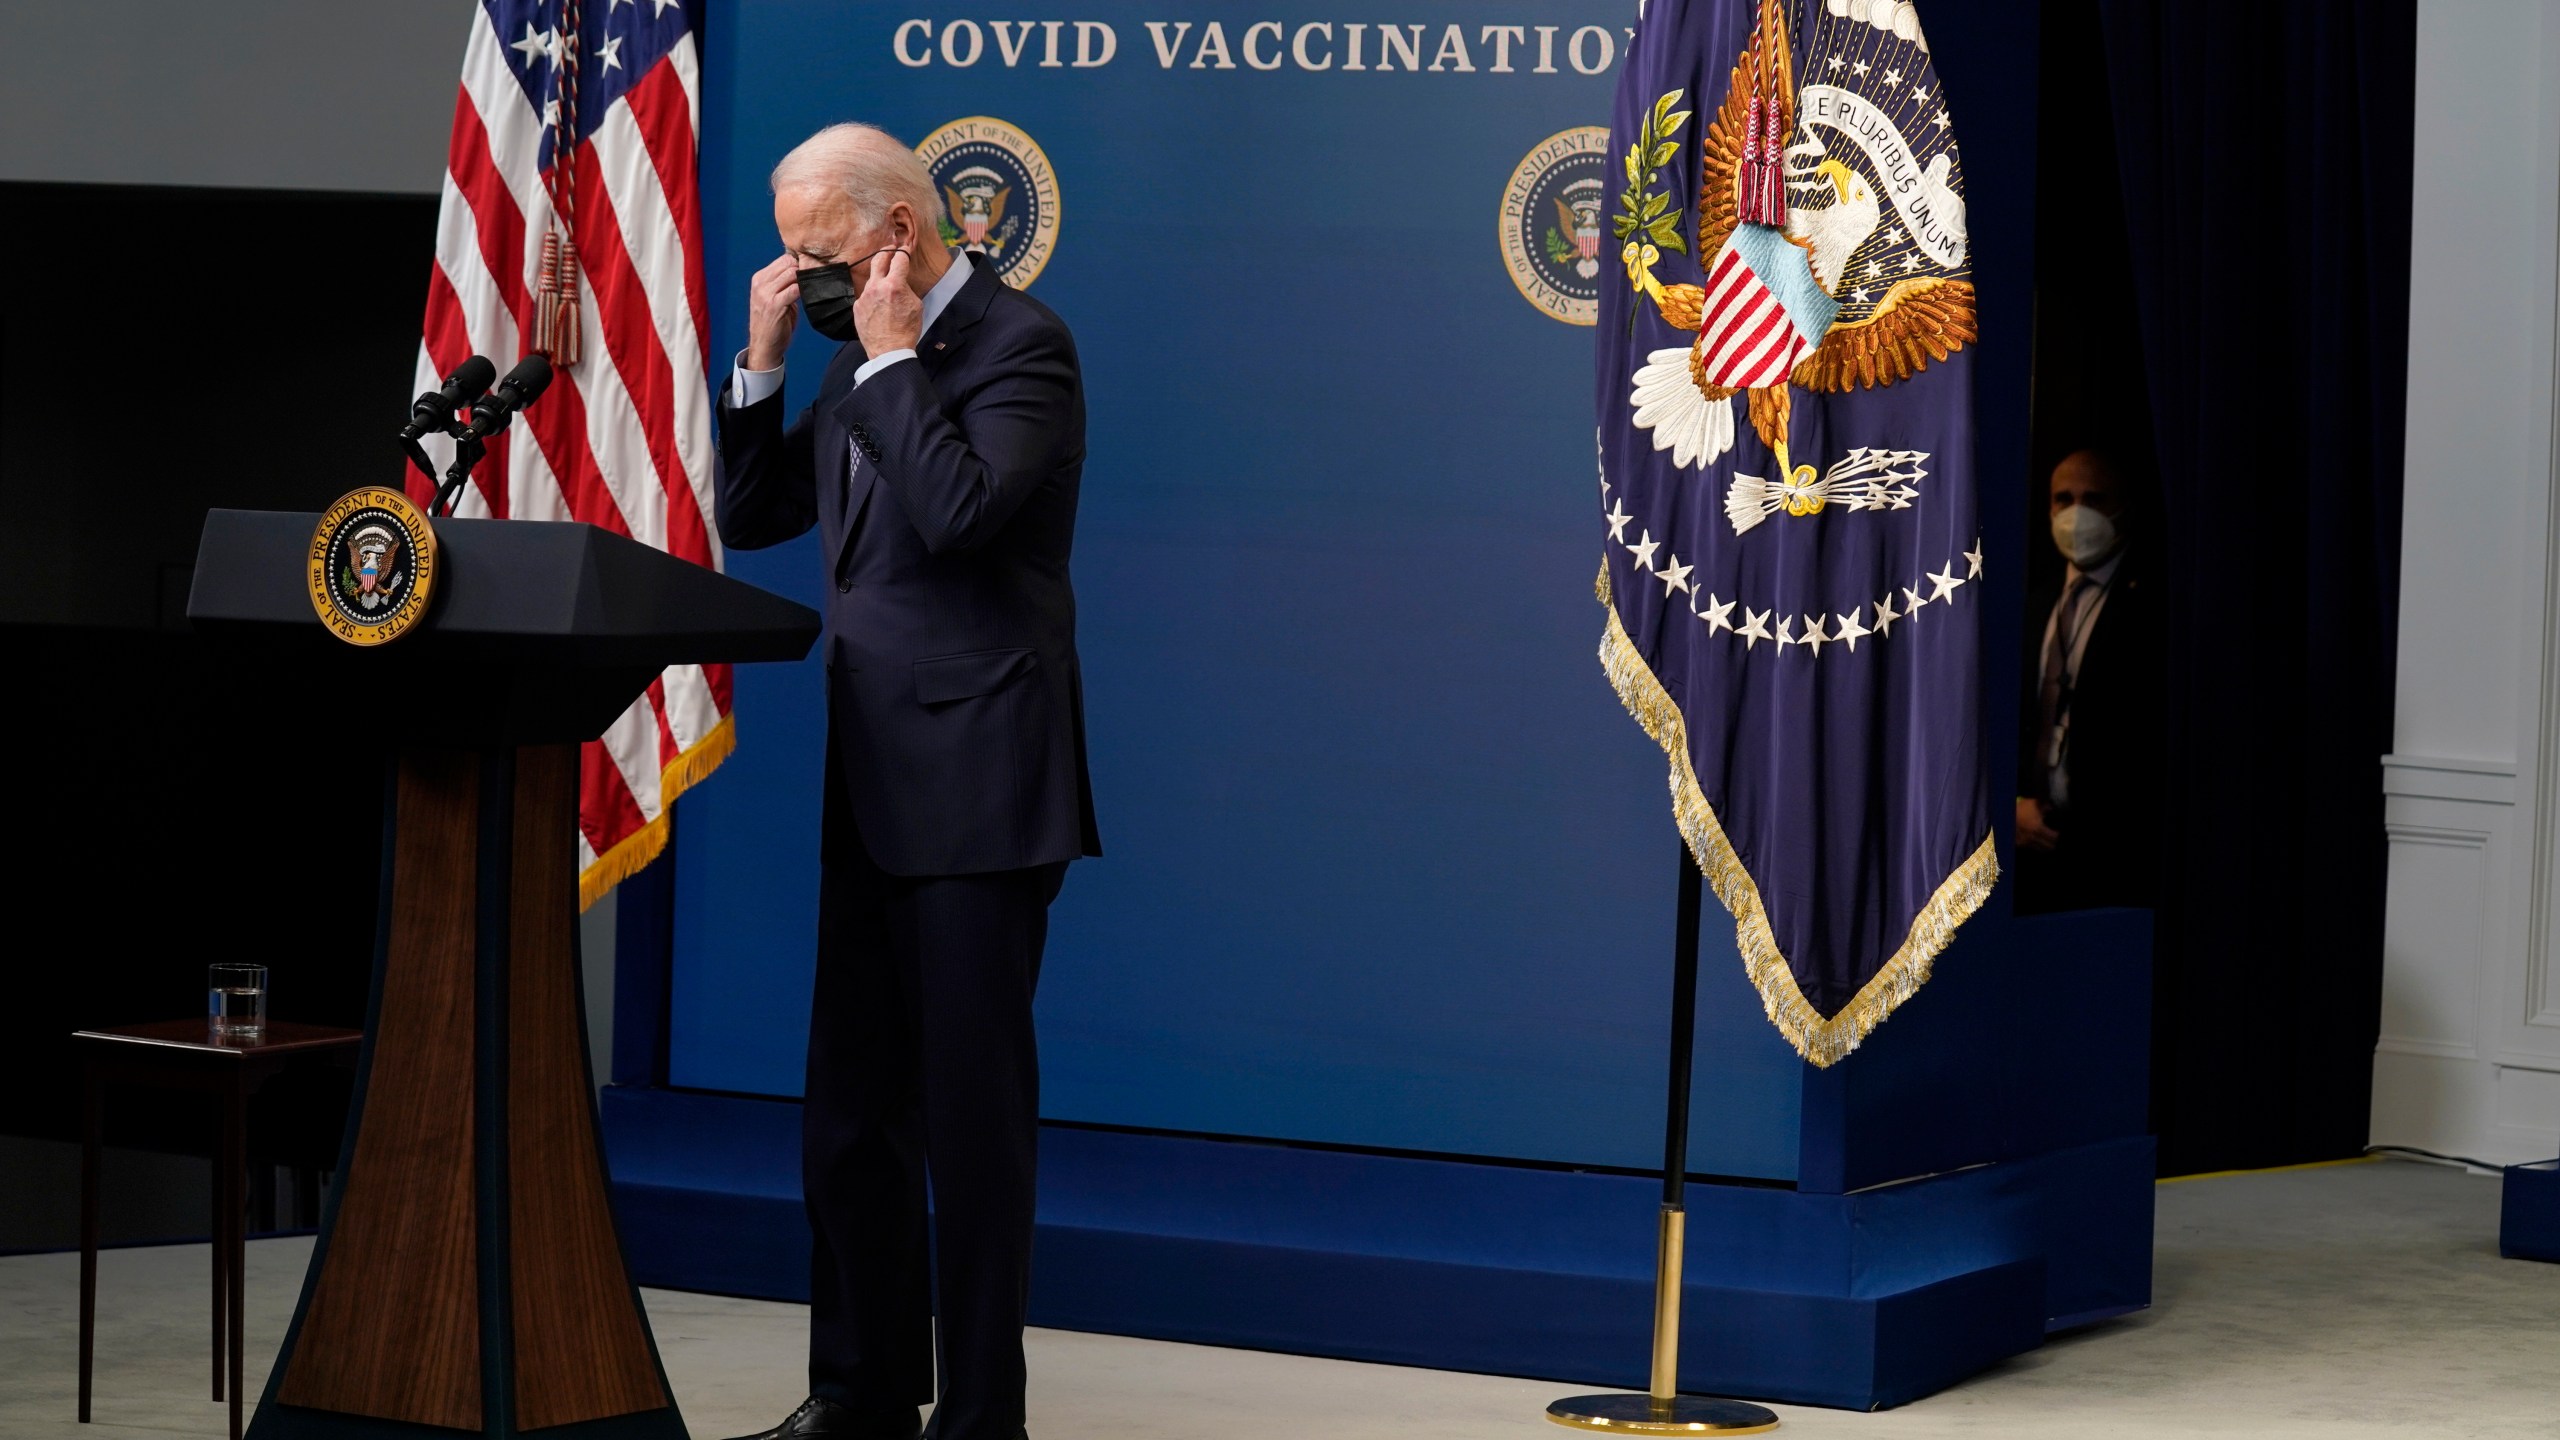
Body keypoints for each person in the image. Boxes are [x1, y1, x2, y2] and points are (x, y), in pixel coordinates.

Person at [712, 122, 1100, 1440]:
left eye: (816, 254)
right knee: (851, 1118)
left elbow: (960, 513)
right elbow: (757, 514)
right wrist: (765, 362)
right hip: (871, 785)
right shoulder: (854, 361)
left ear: (896, 233)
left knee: (974, 1132)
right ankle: (859, 1391)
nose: (800, 275)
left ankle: (982, 1416)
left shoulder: (1020, 347)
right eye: (788, 253)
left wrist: (879, 357)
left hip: (983, 793)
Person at [2015, 448, 2159, 912]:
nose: (2077, 514)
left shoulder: (2155, 605)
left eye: (2094, 500)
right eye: (2065, 499)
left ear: (2124, 507)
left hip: (2114, 859)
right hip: (2027, 846)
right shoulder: (2031, 603)